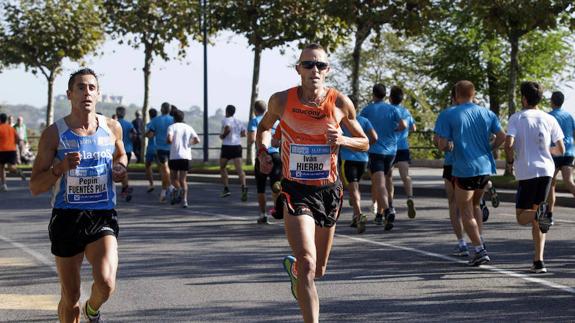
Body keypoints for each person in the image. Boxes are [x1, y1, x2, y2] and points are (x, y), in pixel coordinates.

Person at [256, 43, 368, 323]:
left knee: (318, 269)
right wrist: (263, 152)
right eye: (308, 64)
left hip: (329, 190)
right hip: (295, 189)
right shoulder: (281, 100)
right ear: (298, 69)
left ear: (327, 70)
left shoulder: (340, 102)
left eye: (320, 65)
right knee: (307, 261)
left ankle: (298, 275)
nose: (314, 70)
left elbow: (365, 142)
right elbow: (264, 128)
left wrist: (343, 139)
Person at [29, 68, 128, 322]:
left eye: (92, 88)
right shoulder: (54, 133)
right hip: (66, 218)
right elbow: (35, 185)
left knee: (106, 283)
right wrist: (61, 168)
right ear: (70, 94)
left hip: (102, 214)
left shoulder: (112, 127)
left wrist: (121, 168)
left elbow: (121, 154)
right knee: (71, 296)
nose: (87, 93)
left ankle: (92, 309)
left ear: (98, 94)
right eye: (81, 88)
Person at [436, 80, 505, 266]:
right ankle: (479, 240)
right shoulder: (487, 113)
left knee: (464, 210)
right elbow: (502, 137)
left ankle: (478, 249)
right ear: (473, 94)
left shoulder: (449, 113)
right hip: (485, 167)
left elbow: (442, 144)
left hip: (464, 168)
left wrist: (449, 146)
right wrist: (489, 148)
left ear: (456, 95)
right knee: (475, 205)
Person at [505, 82, 564, 273]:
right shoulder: (549, 119)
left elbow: (508, 142)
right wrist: (547, 151)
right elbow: (560, 149)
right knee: (538, 217)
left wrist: (510, 159)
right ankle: (538, 262)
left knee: (522, 217)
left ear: (523, 98)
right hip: (546, 170)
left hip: (527, 171)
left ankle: (541, 214)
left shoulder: (517, 117)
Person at [360, 84, 406, 230]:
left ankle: (387, 210)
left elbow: (359, 125)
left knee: (378, 184)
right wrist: (394, 130)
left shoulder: (367, 109)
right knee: (385, 182)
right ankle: (380, 215)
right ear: (385, 95)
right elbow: (403, 125)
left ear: (373, 94)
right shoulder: (393, 109)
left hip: (375, 150)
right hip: (391, 151)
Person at [340, 99, 377, 234]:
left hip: (347, 159)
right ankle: (355, 216)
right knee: (354, 187)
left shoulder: (342, 121)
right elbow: (374, 137)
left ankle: (359, 214)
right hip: (363, 160)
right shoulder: (364, 120)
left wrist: (347, 145)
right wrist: (362, 148)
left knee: (352, 188)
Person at [247, 99, 282, 224]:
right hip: (276, 155)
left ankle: (263, 215)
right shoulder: (275, 122)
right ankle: (278, 211)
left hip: (262, 156)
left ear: (255, 110)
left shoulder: (255, 121)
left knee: (261, 188)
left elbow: (251, 139)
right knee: (276, 185)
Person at [387, 85, 417, 219]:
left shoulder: (388, 110)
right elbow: (414, 128)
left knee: (389, 177)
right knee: (406, 176)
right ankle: (410, 197)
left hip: (389, 147)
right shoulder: (406, 111)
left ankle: (390, 204)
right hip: (403, 147)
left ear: (390, 98)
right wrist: (404, 134)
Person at [547, 91, 575, 214]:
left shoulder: (548, 116)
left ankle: (550, 214)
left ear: (552, 101)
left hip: (554, 152)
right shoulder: (569, 116)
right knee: (569, 181)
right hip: (569, 152)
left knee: (551, 184)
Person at [167, 109, 200, 208]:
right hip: (186, 156)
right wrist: (189, 144)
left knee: (173, 178)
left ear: (174, 118)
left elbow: (169, 139)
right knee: (183, 179)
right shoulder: (188, 127)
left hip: (174, 156)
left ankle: (178, 190)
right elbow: (197, 140)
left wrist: (170, 142)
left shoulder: (171, 127)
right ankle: (185, 200)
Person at [146, 102, 174, 202]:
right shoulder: (174, 120)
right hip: (173, 149)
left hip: (161, 149)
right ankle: (163, 192)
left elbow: (150, 135)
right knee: (166, 171)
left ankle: (170, 187)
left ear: (161, 109)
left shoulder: (156, 120)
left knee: (165, 170)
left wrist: (146, 134)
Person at [219, 104, 248, 201]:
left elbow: (228, 128)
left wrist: (223, 136)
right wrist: (237, 135)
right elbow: (244, 133)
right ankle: (243, 187)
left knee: (222, 167)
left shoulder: (226, 119)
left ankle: (226, 188)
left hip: (227, 146)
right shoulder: (239, 121)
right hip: (237, 146)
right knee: (240, 170)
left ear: (226, 111)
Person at [0, 113, 26, 191]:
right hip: (12, 150)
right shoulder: (11, 128)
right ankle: (17, 172)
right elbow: (18, 139)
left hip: (2, 151)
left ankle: (4, 185)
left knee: (2, 168)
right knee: (10, 168)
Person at [116, 106, 136, 201]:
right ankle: (125, 187)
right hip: (127, 150)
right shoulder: (129, 124)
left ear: (117, 113)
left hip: (116, 150)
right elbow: (134, 135)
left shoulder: (113, 123)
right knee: (124, 169)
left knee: (121, 170)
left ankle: (125, 187)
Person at [145, 108, 158, 192]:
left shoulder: (149, 124)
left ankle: (151, 183)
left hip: (151, 148)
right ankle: (168, 184)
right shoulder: (159, 122)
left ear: (149, 115)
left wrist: (145, 134)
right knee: (162, 167)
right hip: (159, 147)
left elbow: (149, 135)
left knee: (148, 165)